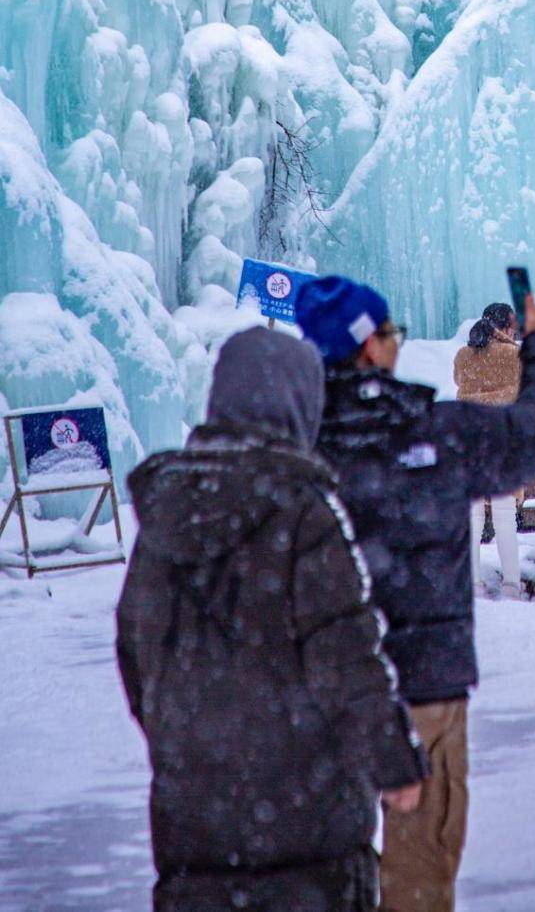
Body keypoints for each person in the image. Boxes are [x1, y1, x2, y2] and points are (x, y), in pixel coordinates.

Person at [116, 327, 426, 912]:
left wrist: (193, 746)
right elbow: (346, 654)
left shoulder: (163, 523)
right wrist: (394, 761)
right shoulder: (304, 513)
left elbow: (137, 658)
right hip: (311, 835)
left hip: (195, 835)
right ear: (297, 404)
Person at [296, 274, 535, 912]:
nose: (396, 342)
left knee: (317, 872)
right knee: (420, 870)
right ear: (369, 348)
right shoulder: (436, 434)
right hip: (425, 689)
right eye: (389, 332)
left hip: (319, 698)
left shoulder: (295, 446)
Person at [454, 305, 523, 593]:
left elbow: (459, 382)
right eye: (514, 324)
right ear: (505, 326)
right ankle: (510, 585)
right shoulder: (515, 356)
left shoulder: (463, 355)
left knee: (472, 516)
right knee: (505, 516)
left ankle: (474, 584)